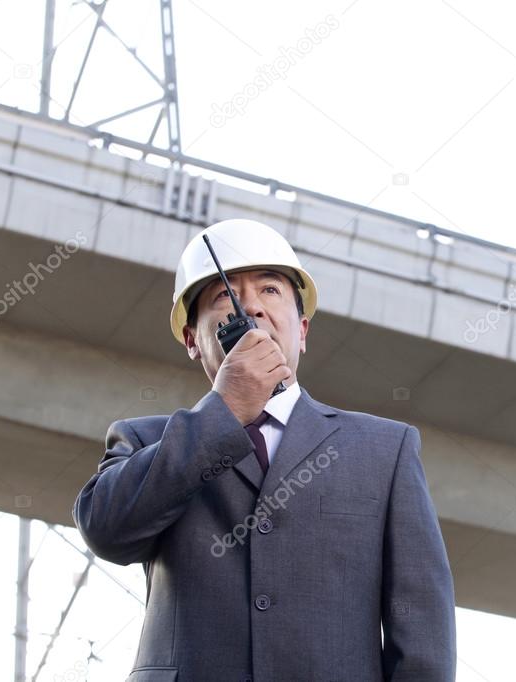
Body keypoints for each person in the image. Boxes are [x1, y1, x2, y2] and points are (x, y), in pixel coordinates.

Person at [73, 218, 457, 681]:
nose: (250, 306)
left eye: (271, 290)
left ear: (303, 329)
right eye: (223, 295)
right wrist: (226, 408)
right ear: (193, 340)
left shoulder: (385, 451)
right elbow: (106, 530)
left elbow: (421, 635)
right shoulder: (145, 443)